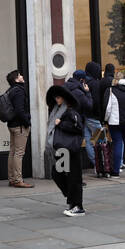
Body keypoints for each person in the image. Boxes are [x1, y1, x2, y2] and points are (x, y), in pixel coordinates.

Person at [45, 84, 86, 217]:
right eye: (55, 97)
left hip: (70, 148)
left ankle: (77, 206)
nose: (56, 99)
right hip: (63, 149)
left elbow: (78, 128)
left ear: (64, 98)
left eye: (58, 97)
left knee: (73, 177)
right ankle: (72, 201)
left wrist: (61, 123)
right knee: (59, 174)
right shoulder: (57, 110)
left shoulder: (70, 111)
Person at [3, 69, 33, 188]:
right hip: (20, 126)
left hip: (12, 125)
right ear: (16, 79)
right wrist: (27, 122)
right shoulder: (19, 91)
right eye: (20, 75)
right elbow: (20, 110)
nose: (22, 76)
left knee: (13, 152)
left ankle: (12, 178)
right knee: (19, 153)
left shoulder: (10, 90)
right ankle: (18, 180)